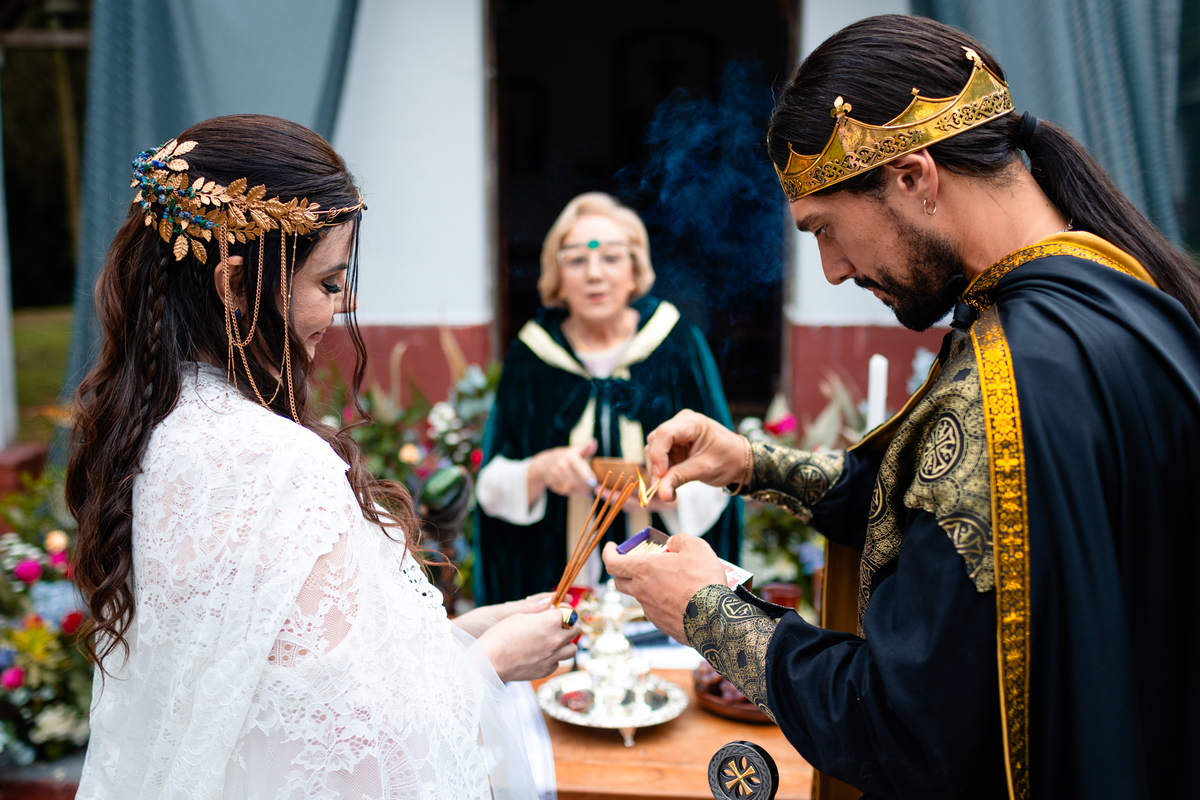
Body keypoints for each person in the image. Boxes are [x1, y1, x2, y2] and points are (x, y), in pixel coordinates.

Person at [604, 15, 1200, 800]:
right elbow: (943, 507)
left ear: (916, 178)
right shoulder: (1127, 302)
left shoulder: (1003, 380)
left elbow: (904, 729)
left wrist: (710, 615)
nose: (835, 269)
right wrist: (752, 461)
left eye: (827, 229)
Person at [66, 115, 578, 799]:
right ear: (234, 286)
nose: (344, 304)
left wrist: (454, 636)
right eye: (329, 283)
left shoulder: (159, 426)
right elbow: (342, 760)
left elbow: (262, 682)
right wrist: (489, 664)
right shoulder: (276, 462)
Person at [474, 192, 740, 604]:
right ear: (557, 275)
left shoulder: (675, 344)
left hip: (666, 595)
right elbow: (491, 484)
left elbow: (723, 471)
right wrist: (542, 471)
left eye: (611, 257)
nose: (594, 274)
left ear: (634, 270)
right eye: (577, 260)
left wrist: (662, 490)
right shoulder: (533, 354)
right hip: (557, 595)